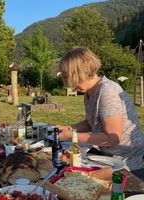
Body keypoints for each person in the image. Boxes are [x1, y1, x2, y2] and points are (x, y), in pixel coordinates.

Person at [57, 46, 144, 174]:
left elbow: (113, 138)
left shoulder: (108, 92)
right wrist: (68, 128)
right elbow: (91, 122)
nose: (69, 83)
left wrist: (72, 136)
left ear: (81, 72)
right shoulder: (90, 93)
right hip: (108, 159)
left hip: (130, 164)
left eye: (69, 77)